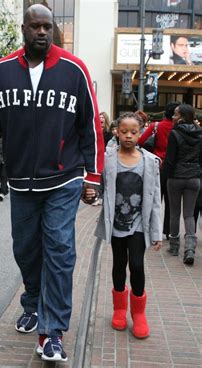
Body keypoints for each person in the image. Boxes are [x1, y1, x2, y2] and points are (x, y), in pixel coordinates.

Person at [0, 4, 104, 362]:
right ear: (24, 29)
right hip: (20, 183)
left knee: (60, 251)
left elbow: (90, 126)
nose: (42, 32)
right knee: (26, 250)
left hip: (63, 179)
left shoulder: (74, 70)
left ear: (53, 30)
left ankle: (53, 331)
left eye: (48, 26)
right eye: (35, 27)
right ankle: (33, 301)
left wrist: (92, 177)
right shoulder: (1, 72)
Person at [91, 112, 162, 339]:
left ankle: (139, 314)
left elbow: (155, 198)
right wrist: (92, 192)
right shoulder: (108, 158)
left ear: (141, 132)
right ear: (116, 132)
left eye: (134, 132)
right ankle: (119, 309)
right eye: (124, 132)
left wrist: (157, 231)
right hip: (116, 223)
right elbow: (99, 187)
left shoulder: (150, 162)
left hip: (139, 223)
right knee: (119, 264)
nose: (129, 136)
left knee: (137, 265)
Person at [164, 104, 202, 265]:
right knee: (189, 214)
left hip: (176, 177)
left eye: (175, 114)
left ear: (182, 117)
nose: (172, 117)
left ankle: (174, 246)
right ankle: (190, 248)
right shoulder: (200, 133)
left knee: (174, 213)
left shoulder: (174, 134)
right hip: (194, 177)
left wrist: (166, 176)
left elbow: (170, 159)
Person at [138, 102, 180, 239]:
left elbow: (142, 141)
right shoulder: (179, 128)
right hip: (174, 168)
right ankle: (167, 231)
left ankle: (150, 228)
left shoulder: (156, 126)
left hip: (157, 166)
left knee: (153, 198)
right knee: (171, 202)